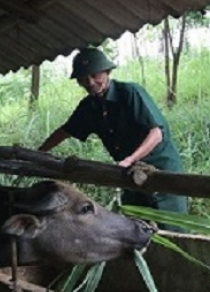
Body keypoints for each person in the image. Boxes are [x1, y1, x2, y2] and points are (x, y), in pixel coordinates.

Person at [37, 48, 188, 231]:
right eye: (83, 79)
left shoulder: (130, 92)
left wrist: (130, 159)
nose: (90, 82)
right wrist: (39, 153)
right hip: (128, 174)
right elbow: (65, 131)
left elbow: (156, 134)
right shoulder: (89, 106)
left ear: (108, 72)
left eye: (95, 75)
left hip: (160, 169)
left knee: (171, 227)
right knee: (137, 229)